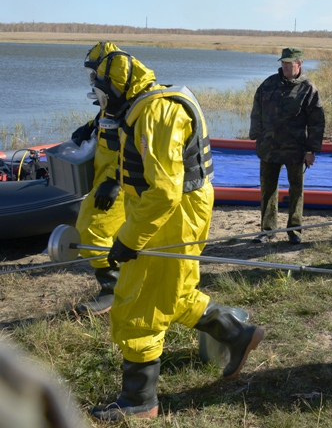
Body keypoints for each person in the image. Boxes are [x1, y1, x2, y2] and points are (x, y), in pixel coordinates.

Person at [88, 51, 264, 420]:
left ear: (117, 85)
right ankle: (236, 333)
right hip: (166, 211)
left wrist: (129, 239)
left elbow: (165, 190)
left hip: (174, 213)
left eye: (100, 87)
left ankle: (139, 401)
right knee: (175, 291)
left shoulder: (157, 112)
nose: (97, 95)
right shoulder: (142, 106)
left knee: (139, 302)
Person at [69, 41, 127, 314]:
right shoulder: (112, 101)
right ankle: (121, 287)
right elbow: (106, 121)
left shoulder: (132, 104)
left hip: (121, 182)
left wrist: (117, 180)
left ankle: (113, 291)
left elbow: (142, 149)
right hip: (106, 177)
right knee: (111, 234)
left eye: (95, 74)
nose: (92, 80)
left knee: (92, 231)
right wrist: (89, 127)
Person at [248, 47, 325, 245]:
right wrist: (255, 134)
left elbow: (316, 122)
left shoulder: (308, 89)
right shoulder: (268, 84)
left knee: (296, 190)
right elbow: (256, 109)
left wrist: (311, 150)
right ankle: (267, 230)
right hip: (269, 147)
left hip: (296, 150)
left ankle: (294, 230)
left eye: (289, 64)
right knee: (268, 189)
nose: (285, 67)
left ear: (299, 64)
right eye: (283, 63)